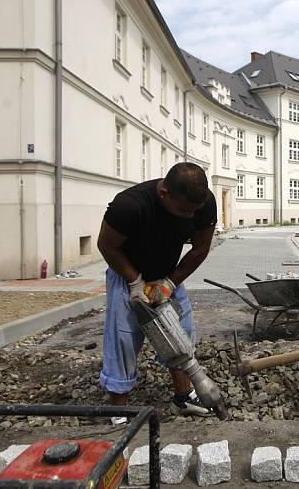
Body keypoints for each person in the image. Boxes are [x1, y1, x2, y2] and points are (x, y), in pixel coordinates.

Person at [97, 162, 217, 417]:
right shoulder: (129, 206)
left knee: (181, 333)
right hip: (126, 273)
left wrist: (170, 283)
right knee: (123, 339)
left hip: (167, 275)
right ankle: (119, 410)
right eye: (184, 211)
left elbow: (200, 248)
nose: (189, 217)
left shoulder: (203, 203)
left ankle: (183, 398)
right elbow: (107, 246)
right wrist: (135, 282)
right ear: (164, 194)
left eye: (193, 212)